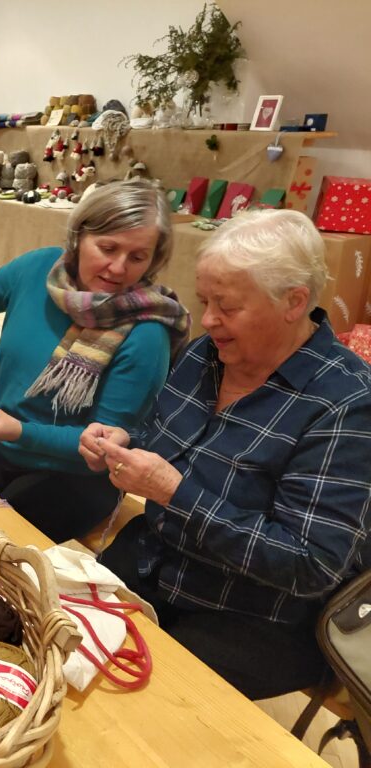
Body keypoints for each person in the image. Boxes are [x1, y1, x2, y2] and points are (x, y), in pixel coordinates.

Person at [79, 209, 371, 700]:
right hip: (155, 560)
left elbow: (310, 564)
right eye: (205, 301)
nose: (209, 319)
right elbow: (168, 440)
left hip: (254, 616)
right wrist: (124, 445)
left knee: (136, 705)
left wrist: (173, 492)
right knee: (57, 633)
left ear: (294, 302)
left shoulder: (348, 404)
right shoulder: (204, 355)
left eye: (228, 306)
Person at [0, 180, 190, 542]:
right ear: (79, 236)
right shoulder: (40, 268)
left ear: (153, 261)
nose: (118, 268)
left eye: (138, 257)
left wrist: (16, 430)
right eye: (108, 248)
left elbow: (106, 445)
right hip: (1, 441)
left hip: (77, 475)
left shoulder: (147, 334)